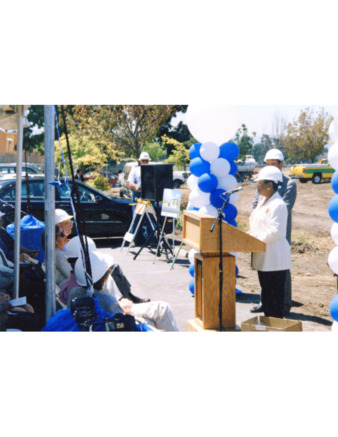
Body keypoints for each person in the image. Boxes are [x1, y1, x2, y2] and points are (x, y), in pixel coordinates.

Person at [250, 149, 297, 316]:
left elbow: (276, 231)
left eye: (260, 182)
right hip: (264, 256)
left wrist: (254, 241)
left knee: (274, 305)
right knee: (268, 302)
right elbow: (254, 217)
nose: (257, 185)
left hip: (274, 258)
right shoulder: (263, 200)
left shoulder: (278, 204)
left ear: (270, 185)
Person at [127, 152, 151, 243]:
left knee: (150, 218)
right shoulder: (135, 170)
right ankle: (134, 240)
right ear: (140, 161)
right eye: (143, 160)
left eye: (146, 161)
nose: (145, 162)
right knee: (136, 218)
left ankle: (151, 240)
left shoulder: (151, 170)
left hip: (149, 196)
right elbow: (130, 183)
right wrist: (139, 189)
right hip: (138, 196)